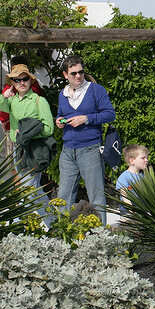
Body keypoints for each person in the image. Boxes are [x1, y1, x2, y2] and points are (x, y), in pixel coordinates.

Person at [55, 54, 116, 223]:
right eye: (73, 73)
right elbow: (61, 114)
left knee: (96, 196)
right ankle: (61, 235)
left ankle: (101, 237)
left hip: (90, 149)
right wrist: (59, 122)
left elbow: (110, 114)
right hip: (68, 150)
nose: (78, 76)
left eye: (81, 72)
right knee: (63, 197)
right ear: (65, 75)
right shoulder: (63, 94)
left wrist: (86, 118)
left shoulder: (96, 90)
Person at [0, 64, 55, 227]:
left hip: (33, 149)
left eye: (25, 79)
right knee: (33, 189)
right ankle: (53, 222)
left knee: (28, 188)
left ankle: (18, 224)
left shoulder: (39, 100)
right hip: (18, 148)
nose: (22, 82)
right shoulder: (12, 101)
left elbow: (49, 128)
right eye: (17, 80)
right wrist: (4, 96)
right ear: (13, 83)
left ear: (30, 80)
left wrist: (29, 133)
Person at [0, 54, 41, 132]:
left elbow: (4, 106)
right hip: (29, 124)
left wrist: (4, 121)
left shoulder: (11, 84)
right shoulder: (32, 83)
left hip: (16, 124)